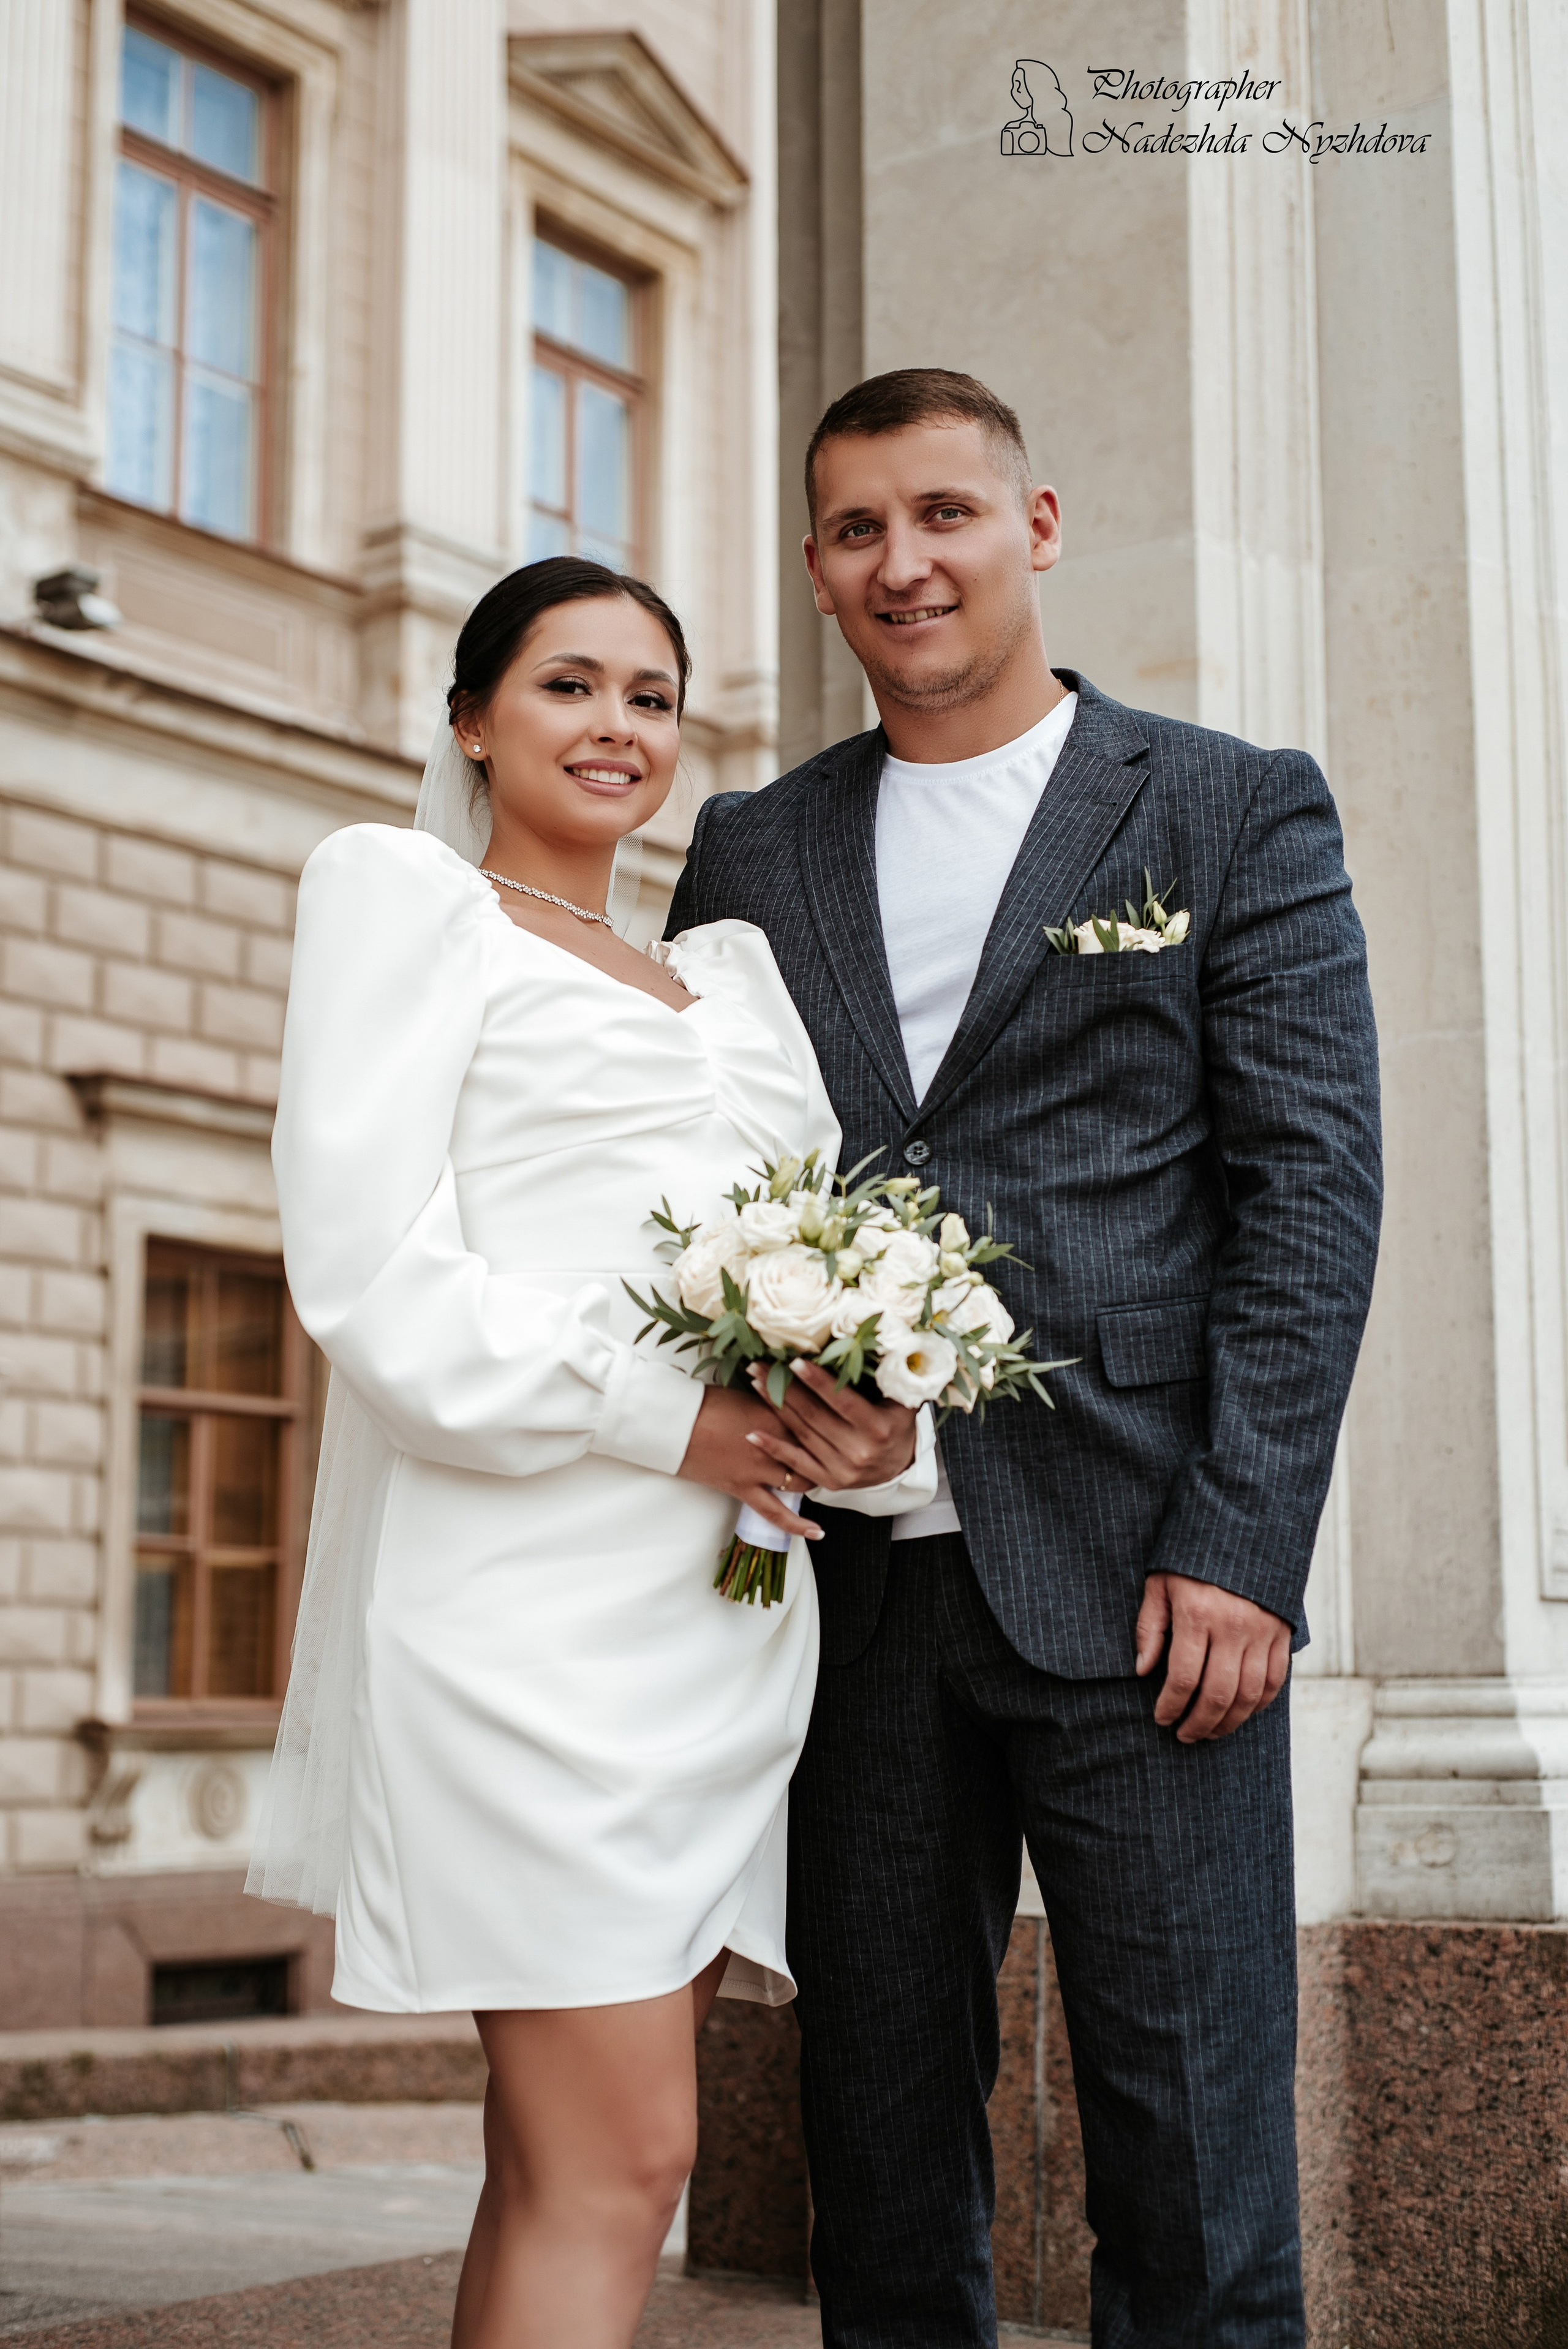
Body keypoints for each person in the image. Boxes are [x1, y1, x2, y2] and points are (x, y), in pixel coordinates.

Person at [666, 369, 1382, 2347]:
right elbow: (697, 1174)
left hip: (1152, 1586)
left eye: (945, 514)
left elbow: (1310, 1201)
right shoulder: (749, 843)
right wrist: (742, 1403)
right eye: (856, 530)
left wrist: (1245, 1542)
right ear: (816, 570)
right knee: (879, 2156)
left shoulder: (1229, 808)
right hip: (849, 1602)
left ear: (1037, 524)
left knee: (1195, 2166)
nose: (905, 563)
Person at [246, 556, 934, 2349]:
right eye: (566, 685)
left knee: (557, 2163)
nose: (615, 726)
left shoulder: (731, 975)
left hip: (715, 1623)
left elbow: (809, 1242)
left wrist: (858, 1412)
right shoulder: (406, 900)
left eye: (648, 694)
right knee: (628, 2161)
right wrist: (677, 1416)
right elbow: (375, 1276)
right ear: (470, 716)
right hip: (524, 1618)